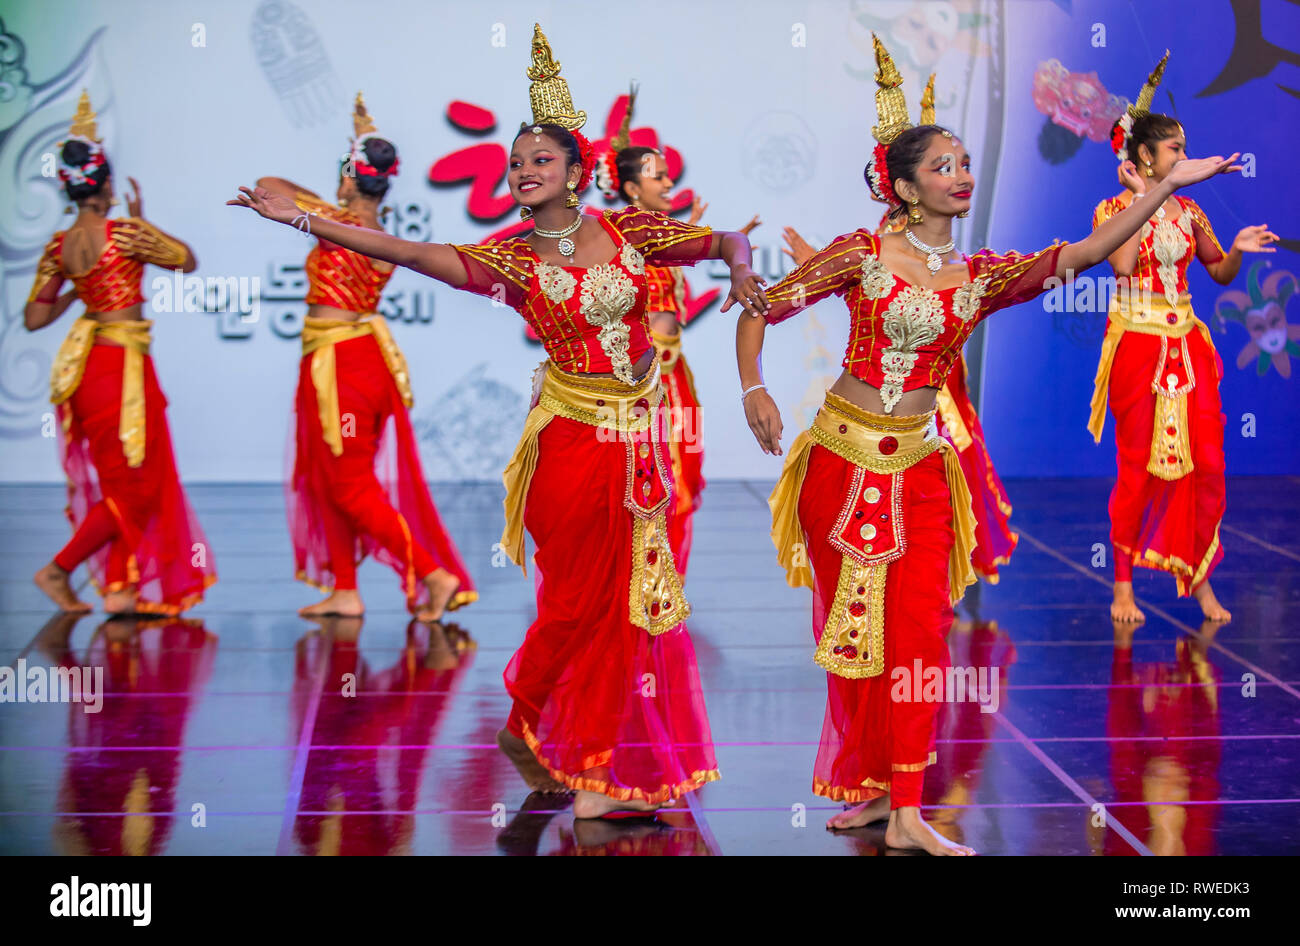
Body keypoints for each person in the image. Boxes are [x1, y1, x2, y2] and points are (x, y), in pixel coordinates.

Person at [230, 25, 766, 818]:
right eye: (515, 163)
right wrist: (308, 220)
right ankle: (585, 772)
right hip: (572, 442)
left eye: (540, 160)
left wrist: (747, 271)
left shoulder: (630, 234)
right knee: (576, 603)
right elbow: (407, 252)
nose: (522, 172)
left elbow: (722, 241)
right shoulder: (512, 258)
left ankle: (551, 736)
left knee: (636, 603)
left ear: (578, 172)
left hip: (641, 443)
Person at [735, 35, 1241, 854]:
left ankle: (907, 808)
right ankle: (872, 788)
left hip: (924, 469)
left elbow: (1080, 255)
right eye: (943, 166)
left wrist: (1165, 189)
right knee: (852, 634)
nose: (961, 174)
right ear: (902, 187)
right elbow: (762, 305)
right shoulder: (860, 257)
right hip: (840, 460)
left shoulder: (979, 276)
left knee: (922, 634)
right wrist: (754, 388)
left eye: (966, 162)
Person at [254, 93, 476, 622]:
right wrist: (352, 166)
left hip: (344, 366)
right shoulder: (376, 231)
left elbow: (268, 187)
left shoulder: (340, 225)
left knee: (350, 484)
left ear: (351, 179)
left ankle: (433, 573)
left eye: (345, 172)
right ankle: (346, 591)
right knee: (330, 476)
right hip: (351, 360)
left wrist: (340, 181)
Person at [1091, 52, 1277, 623]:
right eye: (1174, 149)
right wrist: (1138, 204)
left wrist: (1239, 251)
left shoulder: (1192, 211)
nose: (1184, 156)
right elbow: (1121, 267)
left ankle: (1198, 582)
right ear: (1145, 157)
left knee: (1207, 467)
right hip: (1138, 348)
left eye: (1184, 147)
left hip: (1188, 347)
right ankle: (1123, 586)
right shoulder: (1112, 211)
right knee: (1138, 467)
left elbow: (1216, 272)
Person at [27, 91, 215, 616]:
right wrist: (145, 222)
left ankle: (119, 587)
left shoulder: (59, 247)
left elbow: (35, 318)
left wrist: (77, 288)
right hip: (120, 368)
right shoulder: (127, 234)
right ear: (107, 184)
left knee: (122, 482)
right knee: (135, 486)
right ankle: (59, 569)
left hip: (89, 368)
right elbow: (188, 261)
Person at [595, 85, 760, 574]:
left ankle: (663, 582)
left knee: (678, 476)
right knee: (638, 478)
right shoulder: (614, 233)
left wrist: (708, 242)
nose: (668, 184)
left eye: (668, 176)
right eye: (658, 177)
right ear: (629, 188)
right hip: (636, 379)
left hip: (674, 375)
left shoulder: (664, 232)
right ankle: (631, 580)